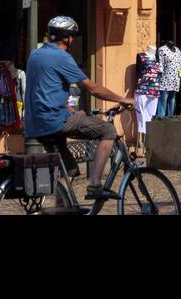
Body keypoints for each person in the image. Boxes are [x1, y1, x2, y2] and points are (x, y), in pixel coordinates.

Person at [23, 16, 132, 200]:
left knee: (68, 169)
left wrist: (70, 109)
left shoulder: (35, 54)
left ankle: (61, 208)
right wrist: (122, 99)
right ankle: (95, 185)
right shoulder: (62, 57)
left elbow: (45, 88)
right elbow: (93, 89)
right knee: (108, 130)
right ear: (69, 38)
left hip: (35, 124)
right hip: (55, 120)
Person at [154, 36, 181, 119]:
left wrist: (179, 76)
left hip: (175, 80)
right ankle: (161, 119)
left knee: (172, 100)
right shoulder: (162, 50)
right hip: (165, 79)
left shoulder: (177, 50)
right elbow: (160, 64)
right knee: (163, 100)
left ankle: (171, 119)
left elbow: (179, 65)